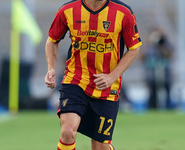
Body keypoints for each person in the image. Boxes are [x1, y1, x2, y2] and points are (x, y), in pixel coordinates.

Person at [44, 0, 142, 150]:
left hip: (107, 88)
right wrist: (51, 68)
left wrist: (112, 76)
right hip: (75, 80)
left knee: (100, 147)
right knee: (67, 131)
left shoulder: (123, 12)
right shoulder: (67, 10)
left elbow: (134, 48)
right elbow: (52, 41)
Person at [141, 28, 174, 109]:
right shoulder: (149, 46)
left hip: (165, 73)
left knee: (167, 93)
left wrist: (162, 45)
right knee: (152, 93)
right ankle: (152, 108)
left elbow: (170, 55)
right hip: (152, 74)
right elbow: (141, 57)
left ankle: (168, 108)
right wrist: (149, 43)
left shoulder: (165, 44)